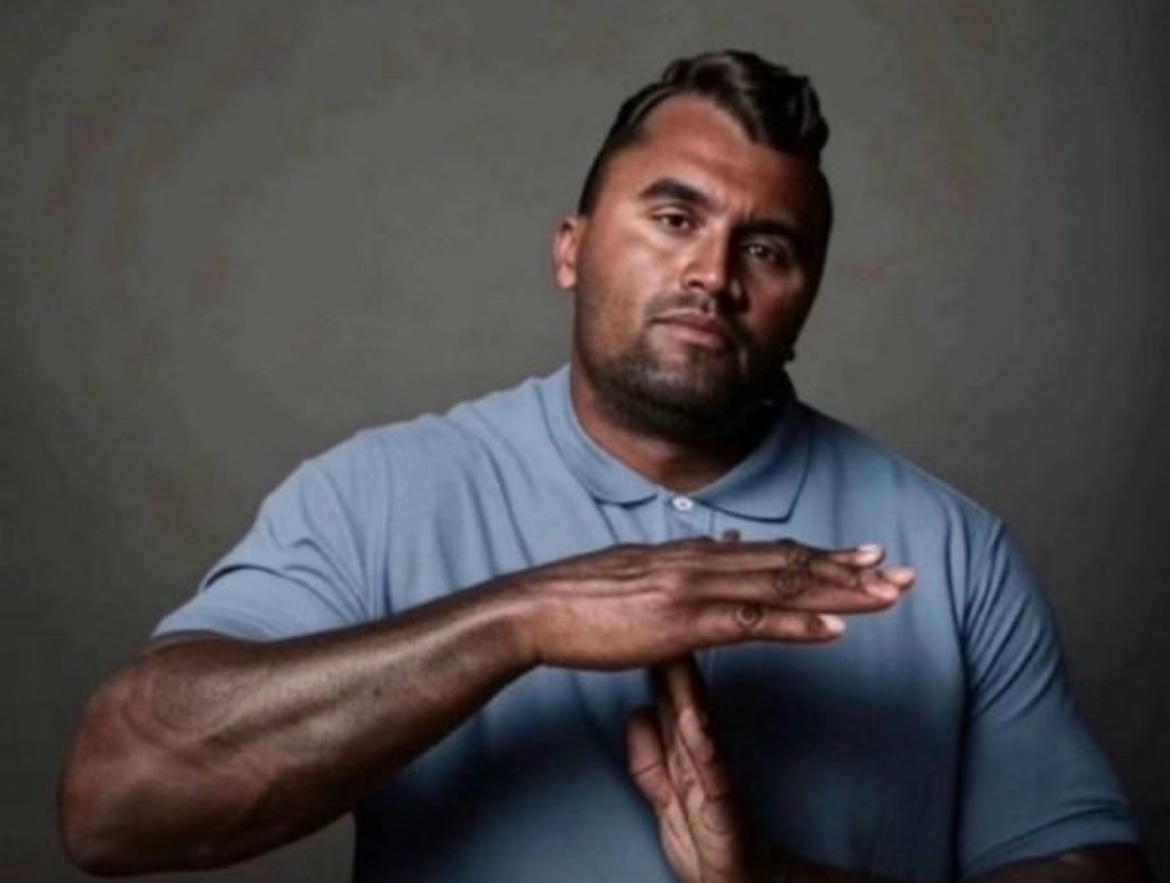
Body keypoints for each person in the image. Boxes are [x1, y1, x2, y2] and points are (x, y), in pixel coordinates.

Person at [60, 50, 1152, 882]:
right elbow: (116, 802)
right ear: (571, 248)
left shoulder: (949, 551)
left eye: (766, 248)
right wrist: (523, 618)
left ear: (805, 296)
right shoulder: (378, 493)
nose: (713, 273)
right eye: (674, 217)